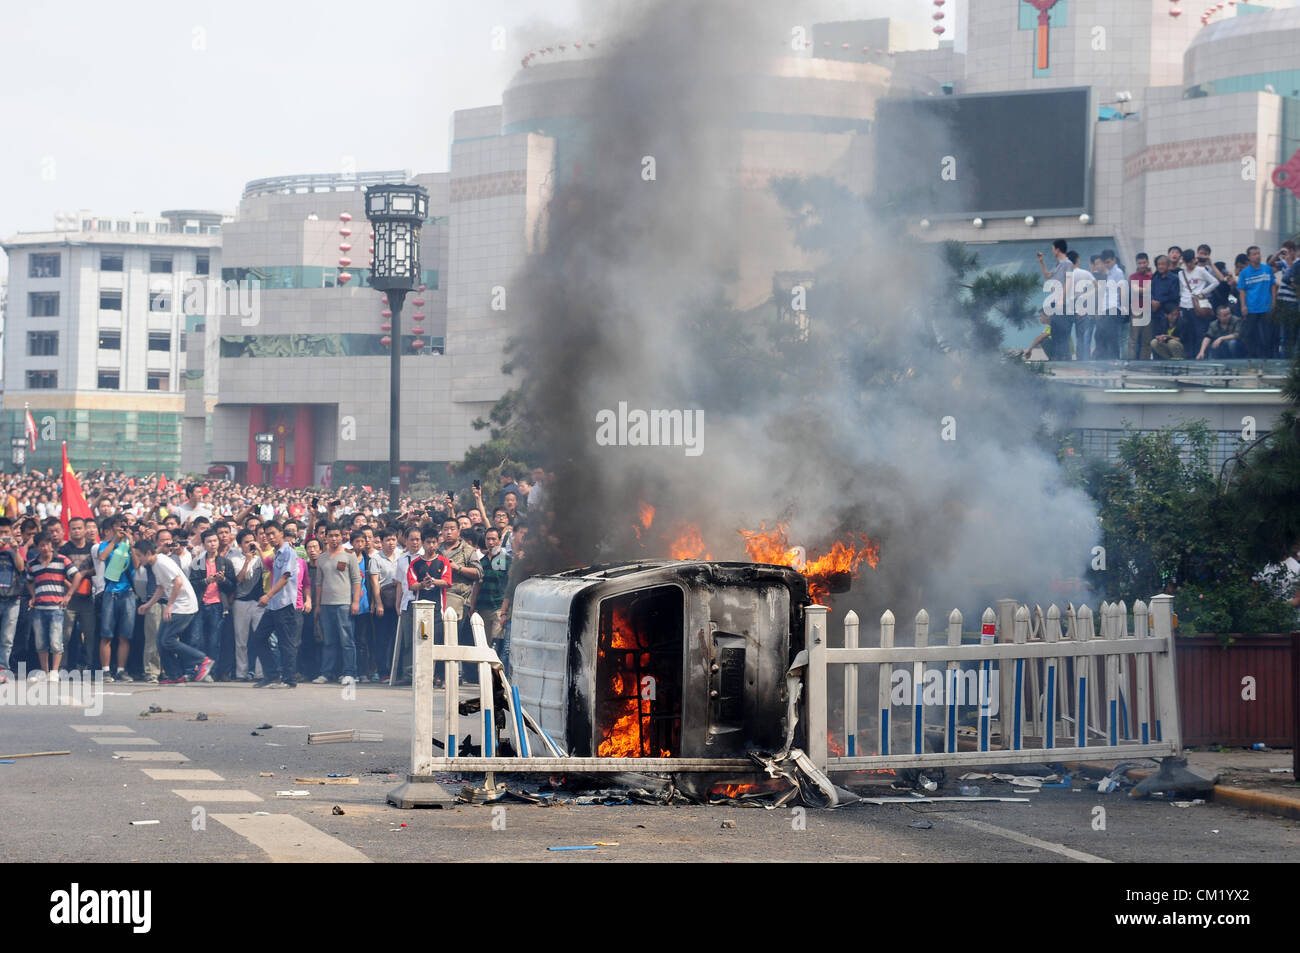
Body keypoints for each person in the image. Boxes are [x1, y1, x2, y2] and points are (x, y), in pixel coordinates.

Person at [133, 538, 212, 685]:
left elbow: (178, 582)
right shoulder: (155, 564)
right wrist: (148, 604)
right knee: (160, 641)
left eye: (139, 555)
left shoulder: (161, 563)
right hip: (177, 605)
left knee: (168, 640)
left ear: (148, 553)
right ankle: (175, 675)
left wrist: (169, 606)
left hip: (184, 606)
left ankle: (202, 660)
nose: (138, 558)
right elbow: (161, 587)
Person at [248, 521, 301, 689]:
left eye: (273, 533)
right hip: (274, 605)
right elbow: (269, 567)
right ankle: (271, 675)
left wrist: (268, 595)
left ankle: (289, 679)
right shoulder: (277, 553)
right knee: (259, 638)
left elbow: (285, 578)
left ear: (281, 533)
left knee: (286, 643)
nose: (270, 537)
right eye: (267, 534)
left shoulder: (288, 552)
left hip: (285, 604)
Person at [313, 523, 361, 686]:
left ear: (342, 537)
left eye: (336, 535)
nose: (334, 539)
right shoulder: (322, 557)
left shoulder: (349, 555)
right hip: (326, 604)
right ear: (325, 537)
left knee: (347, 640)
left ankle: (349, 672)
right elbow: (318, 583)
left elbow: (356, 580)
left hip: (344, 604)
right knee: (329, 641)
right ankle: (326, 673)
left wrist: (355, 602)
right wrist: (318, 605)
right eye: (330, 535)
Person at [24, 532, 75, 682]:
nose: (45, 548)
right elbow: (29, 581)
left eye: (47, 544)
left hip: (56, 608)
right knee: (40, 642)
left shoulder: (62, 560)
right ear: (37, 546)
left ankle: (54, 671)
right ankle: (44, 671)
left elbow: (76, 575)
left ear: (51, 545)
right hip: (39, 607)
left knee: (55, 640)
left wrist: (69, 595)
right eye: (41, 545)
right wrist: (33, 595)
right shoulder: (32, 564)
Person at [188, 529, 236, 681]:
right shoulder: (197, 562)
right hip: (201, 604)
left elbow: (232, 586)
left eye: (215, 541)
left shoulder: (225, 562)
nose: (212, 544)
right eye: (209, 541)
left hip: (217, 605)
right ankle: (195, 670)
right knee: (196, 639)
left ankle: (211, 672)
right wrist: (206, 581)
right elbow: (193, 584)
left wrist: (222, 580)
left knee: (214, 641)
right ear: (203, 544)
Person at [95, 515, 137, 682]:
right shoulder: (105, 545)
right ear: (112, 528)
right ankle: (105, 670)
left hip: (127, 593)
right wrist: (115, 541)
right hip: (110, 592)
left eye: (125, 526)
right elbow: (102, 557)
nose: (122, 529)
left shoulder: (129, 545)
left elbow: (137, 564)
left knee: (125, 635)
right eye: (119, 526)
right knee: (106, 634)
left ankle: (121, 670)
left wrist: (131, 544)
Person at [229, 529, 264, 680]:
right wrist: (248, 560)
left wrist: (260, 550)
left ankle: (260, 673)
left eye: (252, 541)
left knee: (260, 638)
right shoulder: (235, 559)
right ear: (240, 545)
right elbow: (239, 579)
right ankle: (241, 673)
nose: (250, 544)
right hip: (241, 602)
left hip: (259, 602)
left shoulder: (261, 558)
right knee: (241, 640)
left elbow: (269, 568)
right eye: (246, 542)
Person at [475, 527, 511, 671]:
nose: (490, 542)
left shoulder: (506, 561)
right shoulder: (481, 562)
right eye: (488, 539)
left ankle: (495, 676)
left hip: (498, 608)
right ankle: (485, 676)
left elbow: (509, 585)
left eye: (493, 539)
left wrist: (504, 610)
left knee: (496, 645)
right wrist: (472, 607)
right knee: (485, 645)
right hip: (483, 608)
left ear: (500, 541)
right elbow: (476, 585)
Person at [368, 527, 399, 684]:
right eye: (387, 540)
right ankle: (383, 671)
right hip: (383, 602)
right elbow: (374, 583)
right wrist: (378, 603)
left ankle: (395, 670)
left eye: (393, 539)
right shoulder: (376, 558)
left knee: (396, 638)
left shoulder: (400, 555)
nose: (391, 543)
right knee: (382, 639)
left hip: (398, 602)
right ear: (381, 541)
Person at [1177, 250, 1219, 357]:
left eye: (1190, 262)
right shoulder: (1181, 273)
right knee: (1187, 334)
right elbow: (1182, 289)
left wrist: (1202, 292)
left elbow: (1215, 282)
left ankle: (1200, 355)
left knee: (1199, 333)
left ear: (1194, 260)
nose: (1189, 265)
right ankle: (1189, 357)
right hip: (1184, 305)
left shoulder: (1201, 270)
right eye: (1187, 263)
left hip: (1197, 306)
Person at [0, 517, 26, 681]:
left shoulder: (17, 548)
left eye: (6, 533)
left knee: (7, 638)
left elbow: (21, 567)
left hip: (13, 598)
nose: (4, 536)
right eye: (1, 533)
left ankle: (3, 668)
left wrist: (15, 550)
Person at [1238, 245, 1274, 358]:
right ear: (1249, 257)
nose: (1257, 256)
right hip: (1251, 307)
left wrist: (1274, 301)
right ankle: (1252, 356)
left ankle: (1267, 357)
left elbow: (1273, 286)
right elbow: (1242, 291)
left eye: (1258, 253)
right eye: (1254, 254)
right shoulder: (1244, 273)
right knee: (1249, 334)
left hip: (1266, 307)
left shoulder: (1267, 269)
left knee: (1267, 334)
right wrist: (1243, 306)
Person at [1128, 252, 1154, 361]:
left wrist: (1143, 290)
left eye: (1144, 262)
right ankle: (1131, 362)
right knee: (1133, 339)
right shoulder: (1133, 276)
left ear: (1148, 262)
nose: (1142, 265)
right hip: (1136, 311)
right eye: (1140, 263)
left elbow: (1141, 290)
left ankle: (1144, 364)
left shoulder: (1152, 276)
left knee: (1146, 341)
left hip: (1148, 311)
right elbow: (1135, 290)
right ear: (1137, 264)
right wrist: (1148, 289)